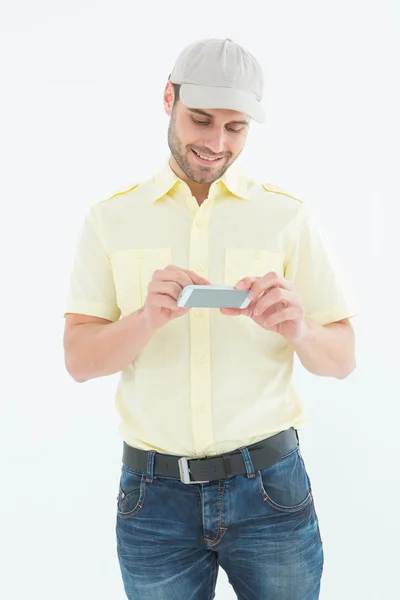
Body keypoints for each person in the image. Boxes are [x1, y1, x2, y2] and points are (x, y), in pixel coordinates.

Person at [63, 38, 359, 600]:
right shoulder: (110, 219)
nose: (216, 143)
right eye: (201, 120)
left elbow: (342, 358)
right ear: (168, 98)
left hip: (271, 490)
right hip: (153, 500)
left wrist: (300, 328)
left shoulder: (287, 216)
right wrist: (145, 319)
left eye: (235, 127)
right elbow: (78, 360)